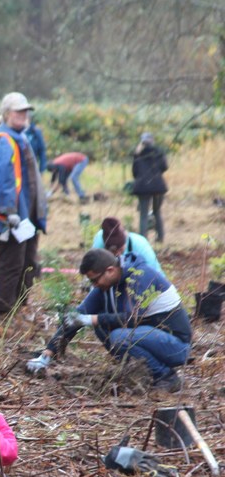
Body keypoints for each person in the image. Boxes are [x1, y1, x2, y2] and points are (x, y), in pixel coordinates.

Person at [26, 248, 191, 392]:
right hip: (149, 337)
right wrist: (48, 353)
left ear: (110, 270)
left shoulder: (140, 277)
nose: (94, 285)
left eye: (95, 280)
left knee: (117, 335)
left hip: (176, 347)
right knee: (102, 325)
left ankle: (166, 377)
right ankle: (138, 373)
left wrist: (91, 319)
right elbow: (77, 316)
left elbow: (131, 320)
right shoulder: (108, 284)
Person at [0, 92, 48, 317]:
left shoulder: (20, 137)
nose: (23, 115)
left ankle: (20, 306)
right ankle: (4, 311)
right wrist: (9, 211)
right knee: (12, 262)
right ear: (6, 114)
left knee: (28, 262)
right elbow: (2, 178)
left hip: (29, 214)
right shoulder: (2, 140)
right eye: (18, 111)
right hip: (14, 214)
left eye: (25, 111)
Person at [91, 216, 164, 276]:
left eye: (120, 249)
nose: (118, 254)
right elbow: (93, 271)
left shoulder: (140, 244)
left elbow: (154, 275)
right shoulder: (99, 242)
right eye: (113, 251)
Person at [131, 132, 168, 243]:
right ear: (152, 141)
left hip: (142, 187)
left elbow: (135, 172)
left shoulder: (137, 154)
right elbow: (164, 167)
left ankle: (143, 240)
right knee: (157, 212)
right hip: (158, 186)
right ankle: (160, 238)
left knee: (143, 215)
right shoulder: (159, 152)